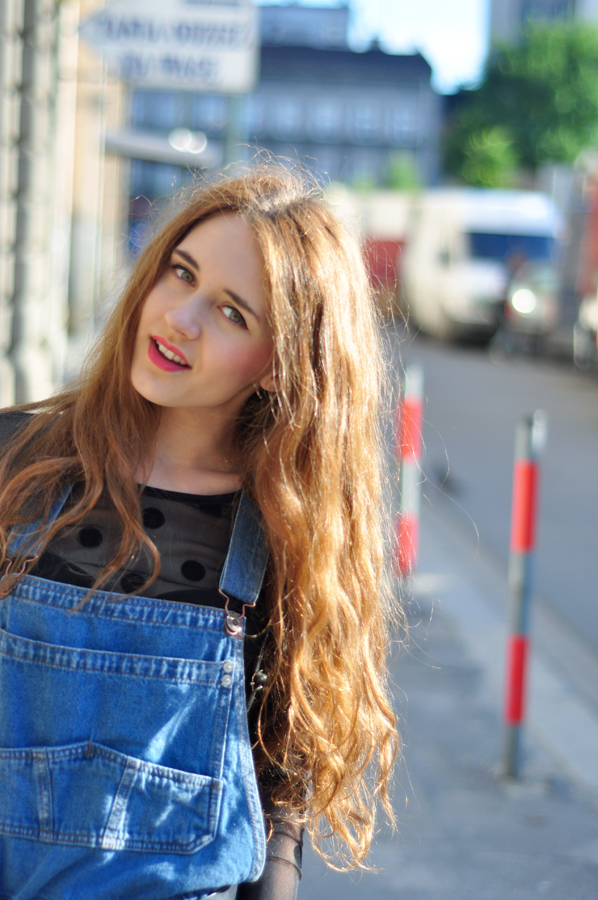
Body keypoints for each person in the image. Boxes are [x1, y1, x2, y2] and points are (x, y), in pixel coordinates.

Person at [0, 165, 399, 900]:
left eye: (231, 313)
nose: (179, 318)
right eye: (180, 273)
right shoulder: (13, 462)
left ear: (279, 366)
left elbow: (280, 796)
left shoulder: (282, 536)